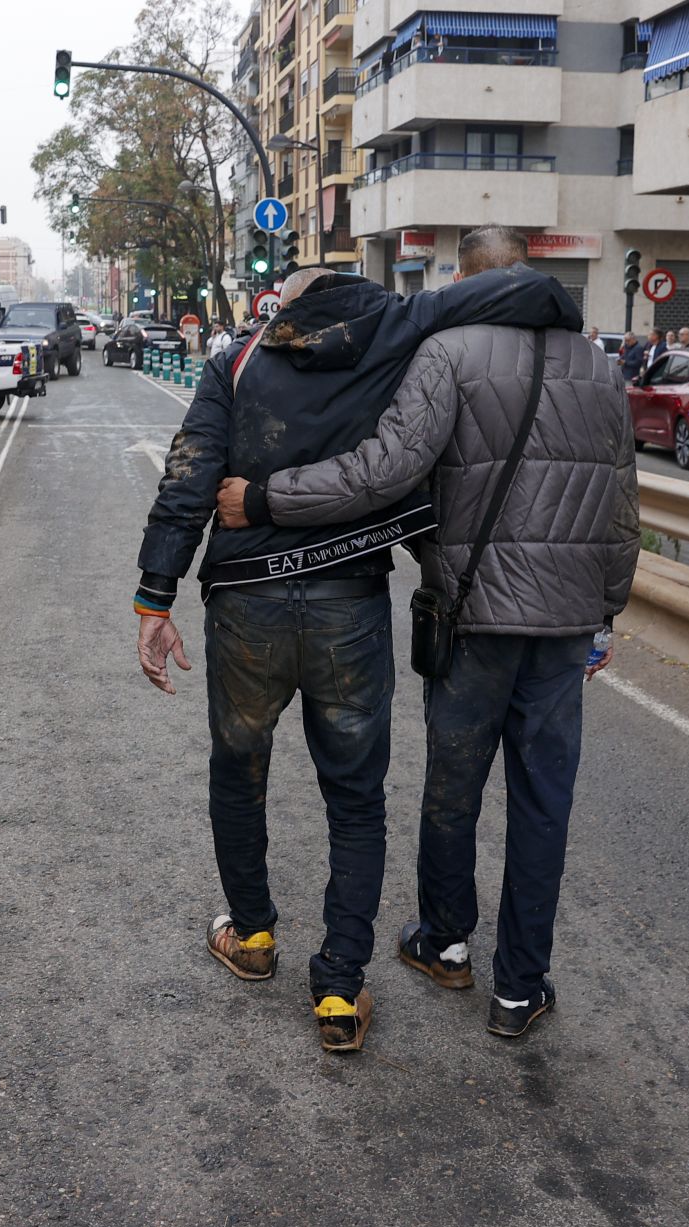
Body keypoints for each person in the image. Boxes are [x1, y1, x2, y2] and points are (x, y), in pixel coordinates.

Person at [133, 253, 580, 1054]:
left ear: (282, 307)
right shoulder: (393, 331)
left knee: (239, 771)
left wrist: (155, 597)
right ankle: (340, 989)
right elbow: (527, 289)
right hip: (348, 604)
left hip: (247, 604)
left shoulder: (236, 360)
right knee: (355, 797)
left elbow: (190, 476)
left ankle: (255, 937)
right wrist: (558, 300)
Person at [215, 225, 640, 1041]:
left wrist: (267, 499)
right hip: (564, 623)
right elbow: (622, 505)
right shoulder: (601, 365)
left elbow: (384, 470)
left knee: (454, 788)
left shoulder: (447, 355)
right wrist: (606, 611)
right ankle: (520, 988)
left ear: (464, 279)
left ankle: (444, 943)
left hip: (473, 612)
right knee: (543, 803)